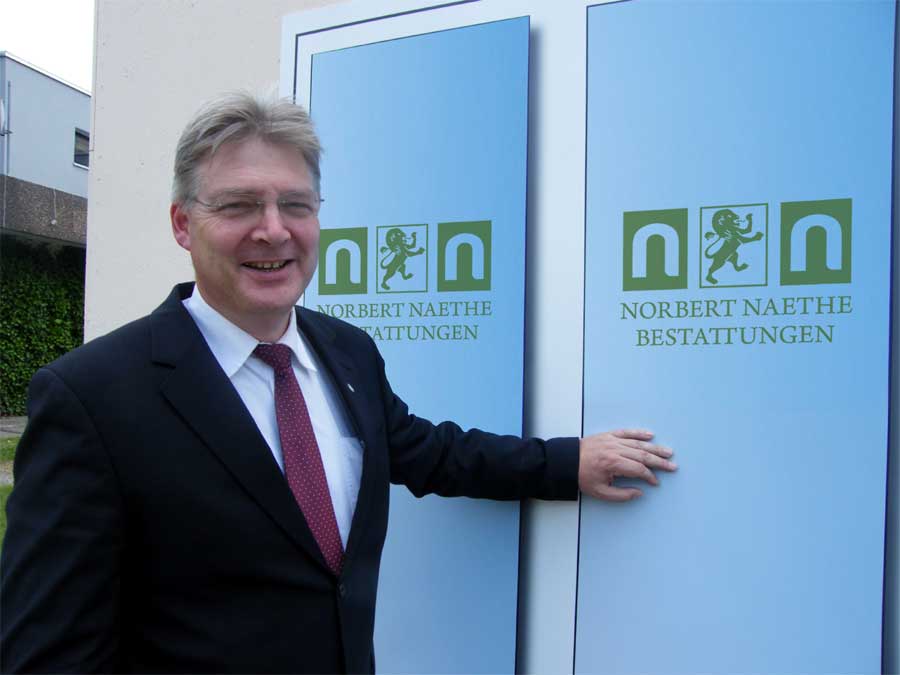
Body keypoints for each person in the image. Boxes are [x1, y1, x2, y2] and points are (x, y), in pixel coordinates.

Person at [0, 92, 676, 673]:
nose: (273, 230)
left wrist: (567, 462)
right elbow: (48, 652)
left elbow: (428, 451)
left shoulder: (347, 351)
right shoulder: (92, 398)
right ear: (183, 223)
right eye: (239, 205)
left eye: (295, 204)